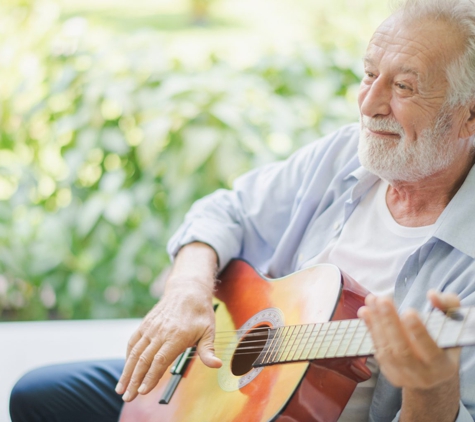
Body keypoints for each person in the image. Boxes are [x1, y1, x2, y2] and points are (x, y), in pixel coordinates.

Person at [10, 0, 475, 421]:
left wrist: (430, 390)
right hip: (212, 381)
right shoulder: (345, 155)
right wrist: (187, 289)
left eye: (405, 87)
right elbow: (226, 209)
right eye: (369, 74)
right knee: (38, 395)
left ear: (468, 116)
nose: (370, 104)